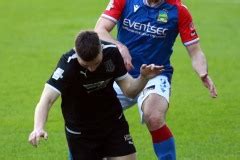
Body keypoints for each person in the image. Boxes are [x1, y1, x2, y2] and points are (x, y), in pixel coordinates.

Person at [94, 0, 218, 159]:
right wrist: (120, 46)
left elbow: (195, 51)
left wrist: (203, 73)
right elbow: (99, 30)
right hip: (121, 74)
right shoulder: (124, 1)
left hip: (155, 74)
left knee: (153, 116)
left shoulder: (179, 10)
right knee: (93, 115)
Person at [28, 30, 164, 160]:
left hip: (113, 124)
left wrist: (143, 77)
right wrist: (38, 127)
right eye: (86, 65)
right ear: (77, 53)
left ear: (101, 49)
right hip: (81, 133)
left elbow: (129, 91)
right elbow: (46, 100)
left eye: (96, 63)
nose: (92, 69)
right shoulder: (67, 65)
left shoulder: (112, 53)